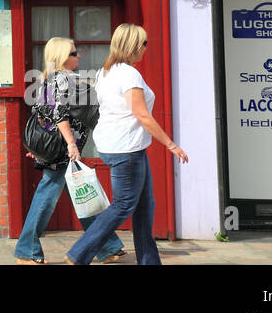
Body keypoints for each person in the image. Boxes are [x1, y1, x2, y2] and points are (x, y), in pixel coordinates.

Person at [65, 23, 187, 266]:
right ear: (132, 46)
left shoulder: (106, 71)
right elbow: (141, 114)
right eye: (143, 43)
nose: (145, 48)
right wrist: (171, 145)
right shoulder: (129, 74)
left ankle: (149, 261)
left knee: (144, 205)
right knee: (124, 204)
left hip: (123, 145)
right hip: (125, 147)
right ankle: (78, 254)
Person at [14, 37, 126, 264]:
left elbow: (46, 115)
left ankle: (107, 245)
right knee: (49, 194)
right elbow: (59, 115)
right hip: (63, 149)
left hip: (59, 148)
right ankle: (27, 250)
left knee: (81, 193)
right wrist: (70, 144)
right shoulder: (61, 80)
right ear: (63, 57)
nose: (79, 56)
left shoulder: (58, 79)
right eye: (74, 53)